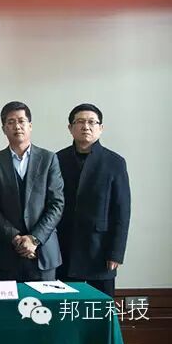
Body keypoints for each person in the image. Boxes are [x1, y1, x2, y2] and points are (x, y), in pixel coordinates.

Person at [0, 101, 64, 281]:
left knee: (45, 300)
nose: (17, 126)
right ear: (4, 129)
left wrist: (34, 239)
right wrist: (16, 238)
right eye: (11, 122)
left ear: (30, 126)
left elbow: (56, 204)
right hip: (7, 252)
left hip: (43, 252)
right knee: (8, 300)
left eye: (21, 121)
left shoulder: (49, 159)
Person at [56, 104, 131, 297]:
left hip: (100, 250)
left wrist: (116, 252)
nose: (86, 126)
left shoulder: (114, 162)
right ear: (70, 128)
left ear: (101, 128)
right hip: (65, 248)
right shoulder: (57, 159)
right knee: (66, 306)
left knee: (99, 308)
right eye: (80, 122)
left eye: (92, 122)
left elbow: (121, 211)